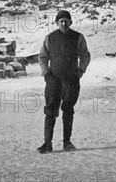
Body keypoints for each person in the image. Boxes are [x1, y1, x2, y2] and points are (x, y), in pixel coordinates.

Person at [37, 10, 91, 153]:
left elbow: (85, 55)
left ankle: (67, 143)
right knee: (50, 111)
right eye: (61, 21)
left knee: (68, 111)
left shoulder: (78, 37)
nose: (64, 23)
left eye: (66, 20)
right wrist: (46, 73)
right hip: (54, 81)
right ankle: (47, 143)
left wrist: (80, 71)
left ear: (71, 22)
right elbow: (42, 56)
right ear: (56, 23)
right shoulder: (50, 38)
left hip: (71, 81)